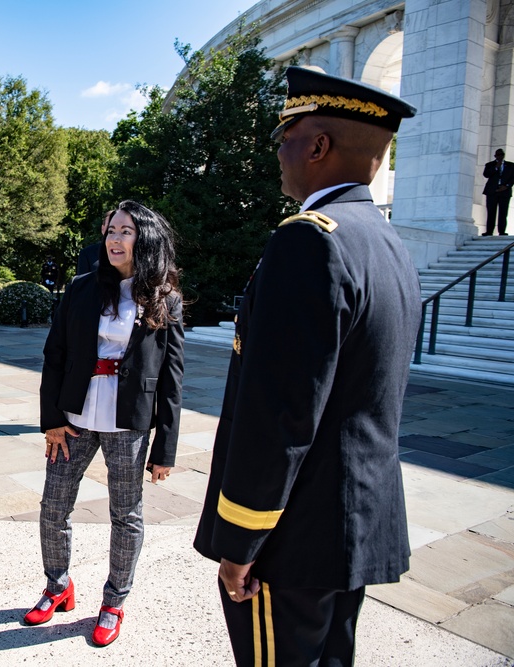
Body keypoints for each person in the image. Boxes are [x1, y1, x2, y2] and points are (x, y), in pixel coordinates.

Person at [192, 66, 420, 666]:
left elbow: (281, 416)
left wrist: (242, 539)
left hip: (291, 541)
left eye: (284, 136)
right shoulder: (384, 240)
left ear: (318, 146)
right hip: (352, 526)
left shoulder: (309, 240)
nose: (278, 151)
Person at [27, 199, 184, 647]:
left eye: (126, 231)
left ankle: (114, 601)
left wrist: (165, 449)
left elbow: (172, 380)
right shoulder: (81, 288)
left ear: (145, 239)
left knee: (126, 515)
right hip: (74, 418)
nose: (115, 239)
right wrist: (52, 420)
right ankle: (57, 587)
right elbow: (54, 355)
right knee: (53, 507)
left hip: (129, 423)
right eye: (111, 230)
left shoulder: (164, 297)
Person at [483, 148, 514, 236]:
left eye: (502, 154)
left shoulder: (511, 165)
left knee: (503, 212)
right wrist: (496, 167)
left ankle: (502, 231)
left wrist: (506, 186)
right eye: (498, 155)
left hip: (504, 192)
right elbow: (486, 174)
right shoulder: (490, 165)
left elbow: (513, 178)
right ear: (495, 156)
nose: (500, 156)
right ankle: (489, 231)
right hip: (492, 191)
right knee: (491, 212)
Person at [76, 209, 114, 275]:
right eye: (109, 226)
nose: (113, 230)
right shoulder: (87, 254)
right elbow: (82, 283)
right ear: (102, 229)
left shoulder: (130, 253)